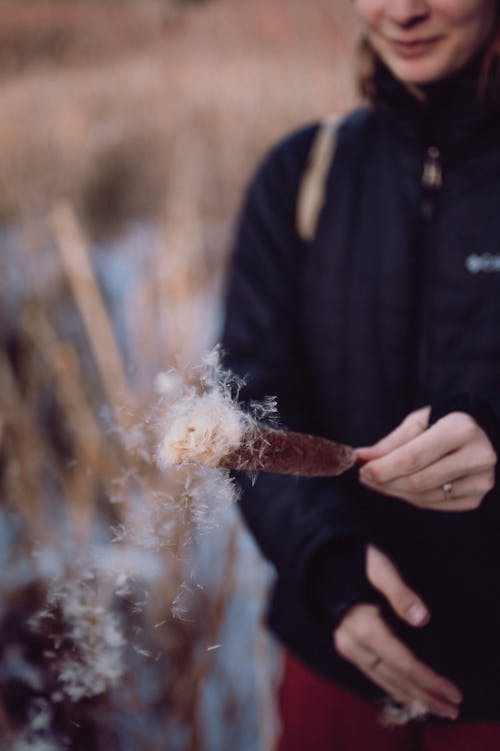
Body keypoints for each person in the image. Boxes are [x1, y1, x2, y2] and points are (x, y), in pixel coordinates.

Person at [221, 1, 500, 749]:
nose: (402, 10)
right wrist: (329, 565)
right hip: (335, 666)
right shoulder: (303, 174)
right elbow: (247, 406)